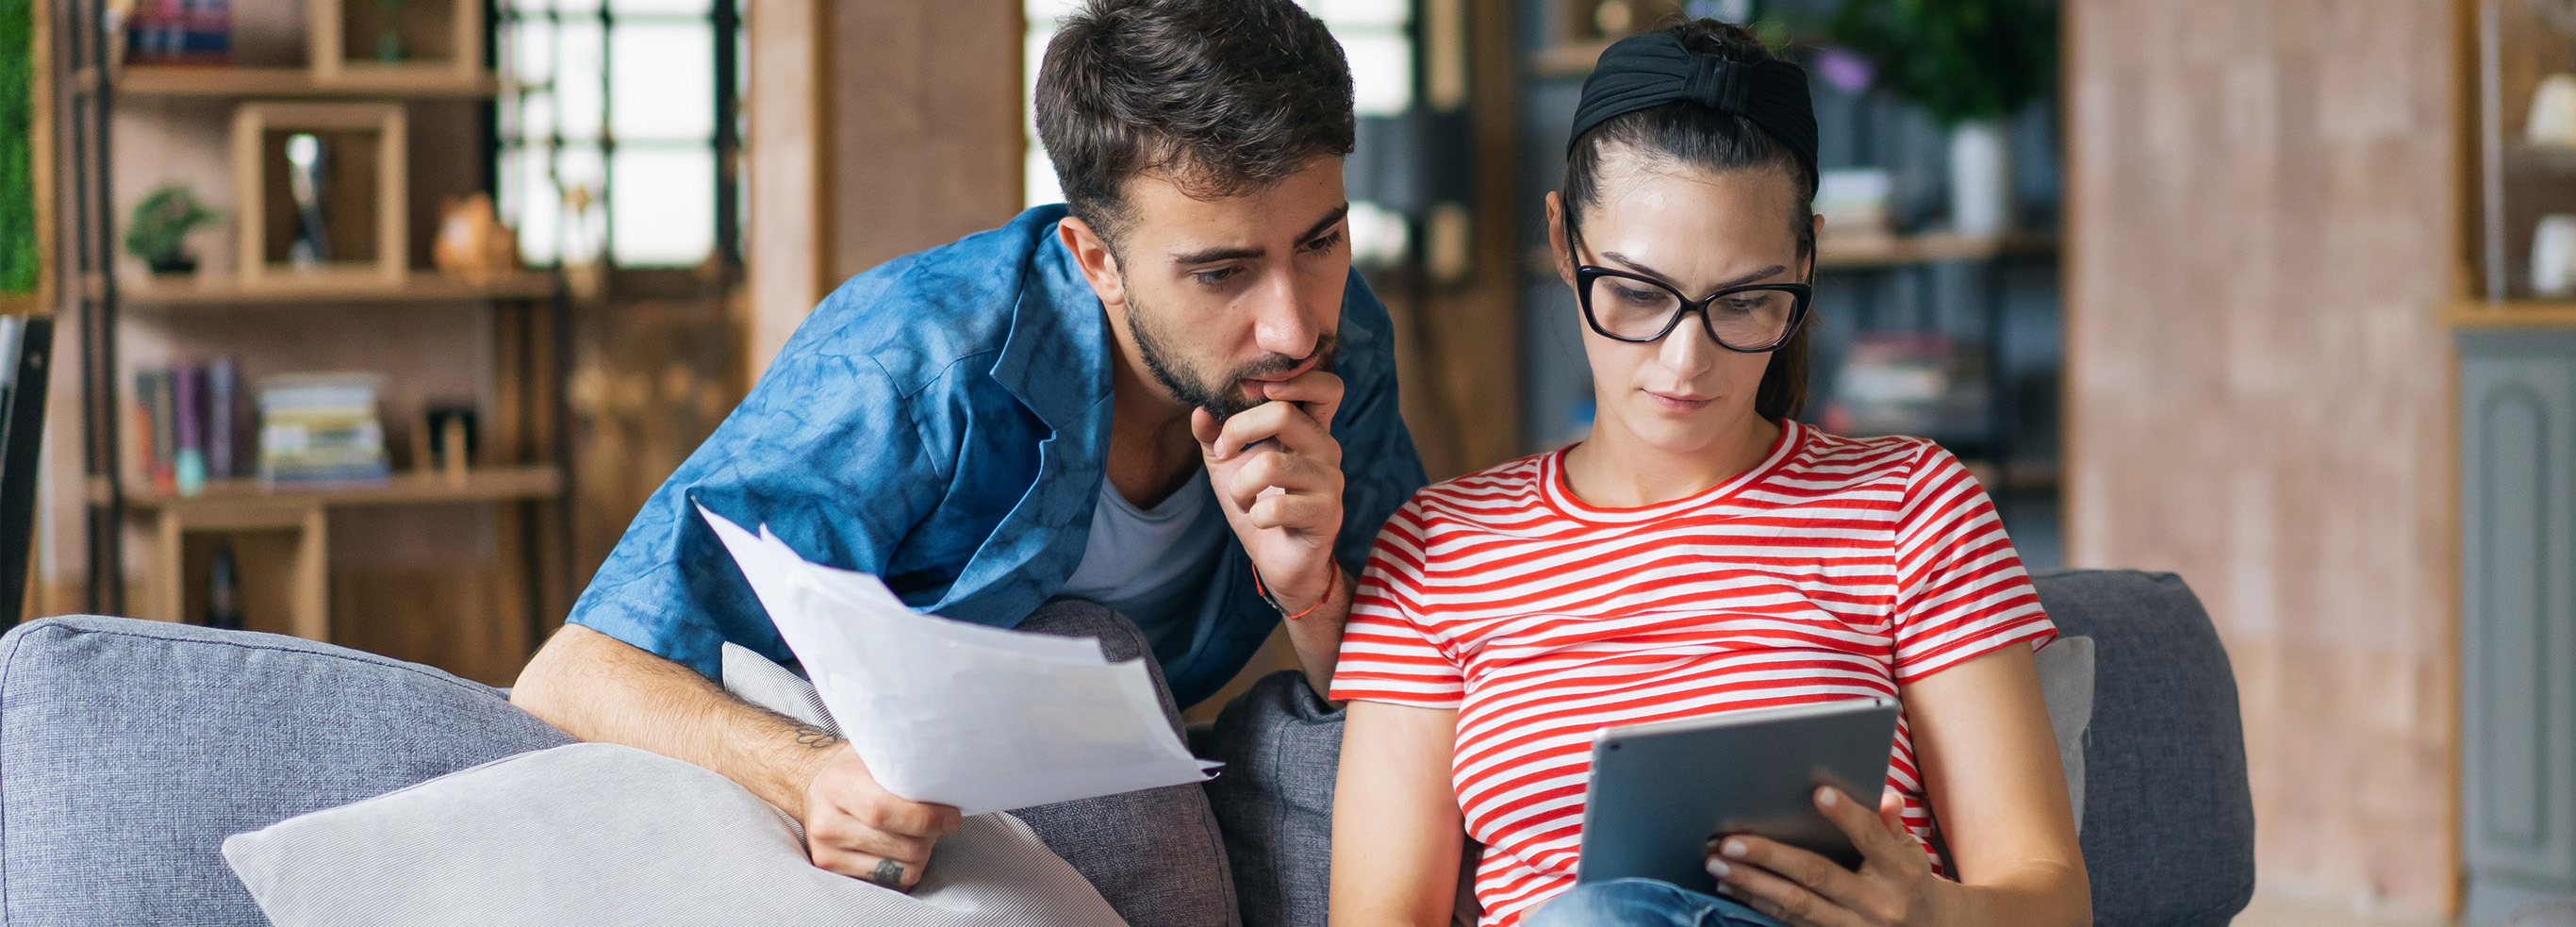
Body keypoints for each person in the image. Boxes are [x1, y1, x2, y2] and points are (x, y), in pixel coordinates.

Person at [506, 0, 1427, 893]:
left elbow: (1411, 680)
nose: (1292, 323)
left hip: (1133, 780)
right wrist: (808, 774)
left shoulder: (1345, 340)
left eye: (1321, 239)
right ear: (1094, 258)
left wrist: (1309, 590)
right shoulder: (918, 360)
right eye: (1221, 271)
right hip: (871, 810)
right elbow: (575, 671)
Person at [1322, 21, 2092, 927]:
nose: (1685, 363)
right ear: (1563, 241)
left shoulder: (1912, 505)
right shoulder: (1441, 547)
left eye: (1746, 301)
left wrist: (1929, 915)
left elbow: (2052, 898)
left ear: (1806, 259)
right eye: (1640, 294)